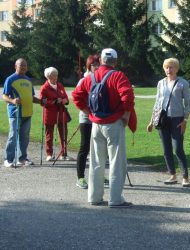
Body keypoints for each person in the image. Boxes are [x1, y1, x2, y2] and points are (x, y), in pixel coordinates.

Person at [72, 48, 136, 208]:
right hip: (114, 123)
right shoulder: (118, 76)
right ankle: (115, 199)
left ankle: (94, 197)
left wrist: (87, 111)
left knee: (95, 161)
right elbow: (127, 96)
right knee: (116, 161)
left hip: (96, 124)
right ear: (115, 61)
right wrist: (126, 115)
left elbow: (76, 96)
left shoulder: (90, 77)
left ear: (101, 60)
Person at [147, 58, 190, 187]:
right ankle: (172, 175)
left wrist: (185, 121)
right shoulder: (160, 83)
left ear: (177, 69)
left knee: (178, 149)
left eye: (171, 67)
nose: (169, 70)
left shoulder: (182, 83)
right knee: (166, 149)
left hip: (177, 119)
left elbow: (187, 104)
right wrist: (151, 121)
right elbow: (157, 103)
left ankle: (185, 177)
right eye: (166, 67)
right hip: (163, 119)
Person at [75, 55, 109, 189]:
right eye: (93, 64)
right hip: (86, 119)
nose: (96, 66)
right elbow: (78, 99)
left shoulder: (101, 78)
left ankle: (99, 175)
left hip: (99, 118)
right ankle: (81, 177)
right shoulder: (84, 80)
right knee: (84, 147)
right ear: (89, 66)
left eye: (98, 64)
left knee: (100, 148)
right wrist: (88, 112)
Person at [2, 58, 42, 167]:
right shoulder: (10, 79)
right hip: (15, 113)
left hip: (28, 113)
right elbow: (4, 96)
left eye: (25, 66)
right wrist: (12, 101)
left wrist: (41, 101)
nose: (24, 67)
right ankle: (8, 159)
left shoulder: (28, 80)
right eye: (21, 65)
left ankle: (22, 158)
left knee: (25, 137)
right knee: (13, 136)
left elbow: (32, 97)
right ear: (16, 66)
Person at [39, 67, 73, 162]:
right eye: (53, 75)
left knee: (63, 134)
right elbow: (42, 101)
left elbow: (66, 98)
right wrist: (54, 102)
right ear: (48, 76)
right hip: (50, 114)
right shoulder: (44, 88)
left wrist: (64, 100)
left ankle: (64, 154)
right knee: (49, 135)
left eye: (56, 75)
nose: (56, 77)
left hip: (61, 113)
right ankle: (49, 154)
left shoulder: (60, 85)